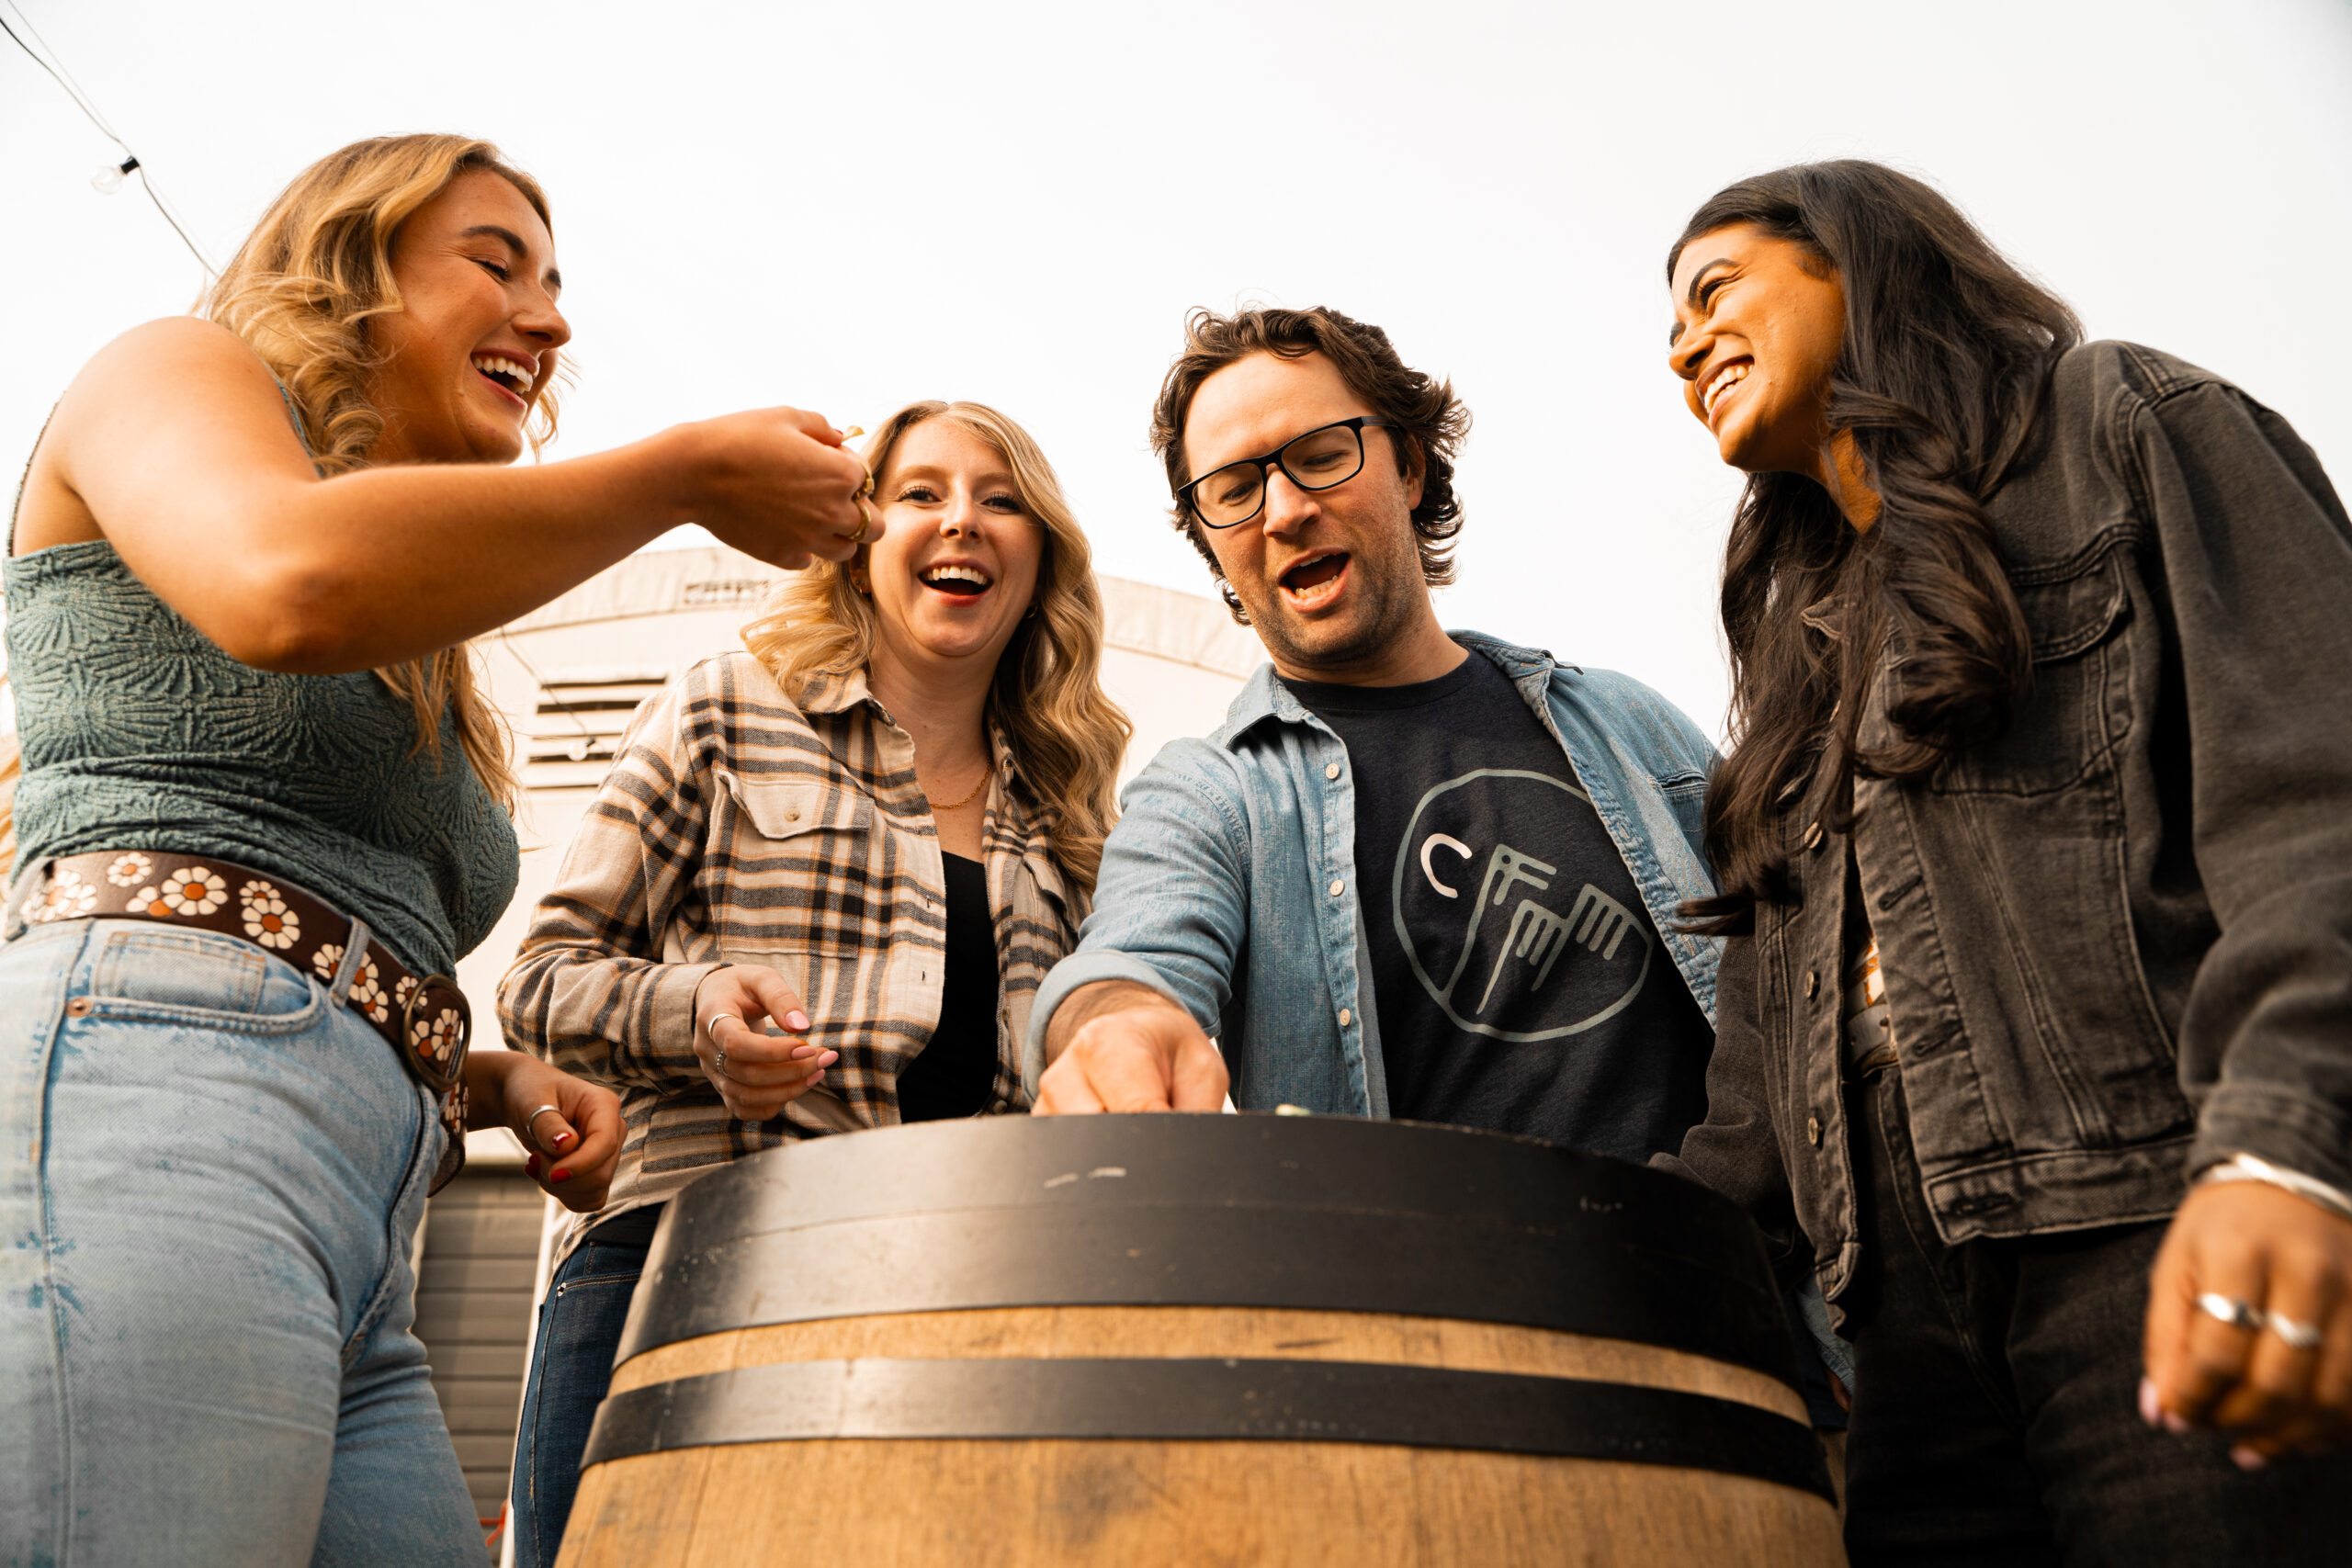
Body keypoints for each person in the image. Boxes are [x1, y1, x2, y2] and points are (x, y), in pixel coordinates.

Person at [0, 134, 874, 1567]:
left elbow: (298, 938)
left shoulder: (436, 621)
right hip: (146, 1124)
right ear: (346, 268)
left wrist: (487, 1075)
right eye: (494, 262)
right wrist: (678, 476)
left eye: (557, 281)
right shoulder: (169, 367)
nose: (552, 317)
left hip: (367, 1233)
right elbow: (286, 582)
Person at [1662, 159, 2352, 1562]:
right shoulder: (1792, 679)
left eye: (1713, 287)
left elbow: (2314, 799)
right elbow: (1744, 1133)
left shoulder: (2127, 421)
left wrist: (2289, 1153)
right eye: (1666, 335)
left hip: (2155, 1231)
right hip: (1904, 1340)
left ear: (1859, 258)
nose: (1682, 345)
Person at [497, 399, 1128, 1567]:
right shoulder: (729, 706)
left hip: (946, 1313)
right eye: (923, 493)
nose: (963, 523)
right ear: (860, 534)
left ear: (1040, 557)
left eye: (1001, 501)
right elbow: (542, 982)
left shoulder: (1069, 810)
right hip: (687, 1266)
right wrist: (697, 1014)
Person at [1029, 306, 1722, 1168]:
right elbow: (1134, 957)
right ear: (1210, 540)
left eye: (1321, 456)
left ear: (1410, 468)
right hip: (1422, 1295)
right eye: (1235, 489)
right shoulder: (1211, 795)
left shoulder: (1631, 725)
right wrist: (1117, 1022)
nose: (1282, 509)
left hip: (1727, 1288)